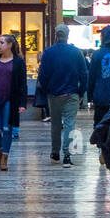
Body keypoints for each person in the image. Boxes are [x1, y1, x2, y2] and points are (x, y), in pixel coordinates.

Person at [37, 24, 88, 167]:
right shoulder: (76, 52)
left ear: (56, 34)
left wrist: (48, 89)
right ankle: (67, 155)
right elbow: (84, 74)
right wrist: (81, 92)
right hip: (71, 93)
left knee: (55, 124)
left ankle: (54, 153)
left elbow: (42, 74)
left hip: (54, 94)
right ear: (67, 35)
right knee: (69, 123)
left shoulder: (48, 52)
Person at [0, 33, 28, 172]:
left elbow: (22, 84)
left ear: (10, 45)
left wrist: (22, 103)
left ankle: (5, 158)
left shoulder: (18, 62)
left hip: (10, 100)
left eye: (2, 42)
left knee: (7, 128)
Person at [86, 25, 110, 133]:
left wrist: (89, 96)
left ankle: (102, 147)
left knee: (100, 125)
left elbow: (91, 78)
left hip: (100, 96)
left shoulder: (97, 54)